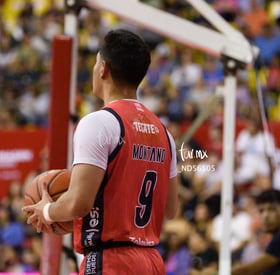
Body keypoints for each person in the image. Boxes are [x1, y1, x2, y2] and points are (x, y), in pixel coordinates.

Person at [22, 29, 179, 274]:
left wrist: (47, 211)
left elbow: (79, 203)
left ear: (103, 69)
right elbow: (170, 210)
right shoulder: (164, 133)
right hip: (151, 261)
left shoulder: (99, 123)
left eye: (96, 63)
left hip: (111, 261)